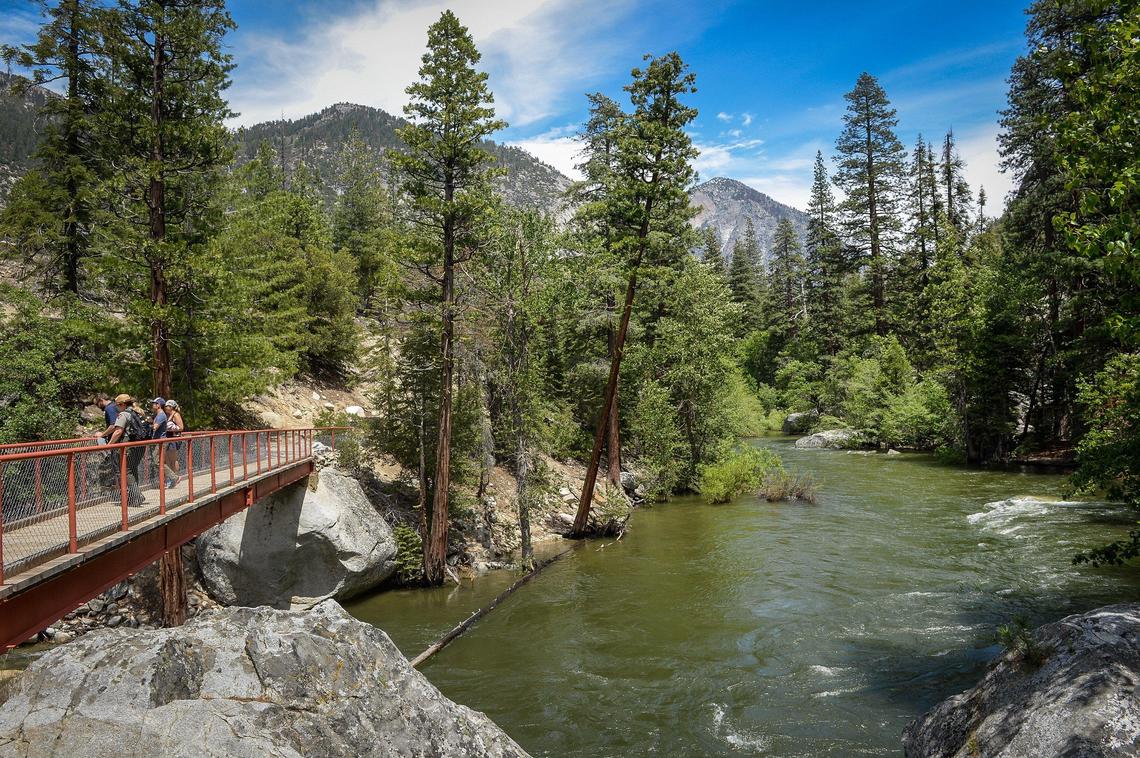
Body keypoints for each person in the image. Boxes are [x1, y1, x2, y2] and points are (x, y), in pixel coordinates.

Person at [105, 394, 147, 505]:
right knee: (132, 469)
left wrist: (108, 445)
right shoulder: (138, 412)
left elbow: (118, 431)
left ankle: (137, 495)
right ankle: (134, 498)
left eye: (117, 405)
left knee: (125, 470)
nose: (116, 408)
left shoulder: (123, 414)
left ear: (122, 404)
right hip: (141, 445)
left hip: (128, 447)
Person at [150, 397, 178, 489]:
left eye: (154, 403)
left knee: (156, 462)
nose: (152, 405)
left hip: (160, 442)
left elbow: (155, 427)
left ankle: (173, 477)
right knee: (159, 461)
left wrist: (147, 423)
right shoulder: (159, 415)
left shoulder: (161, 415)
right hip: (158, 442)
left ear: (158, 405)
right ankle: (169, 479)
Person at [164, 400, 186, 487]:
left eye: (167, 406)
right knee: (168, 460)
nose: (166, 408)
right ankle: (171, 478)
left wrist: (169, 428)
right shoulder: (168, 415)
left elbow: (181, 427)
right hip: (168, 439)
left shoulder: (176, 415)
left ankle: (176, 477)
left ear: (171, 407)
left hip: (174, 439)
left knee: (173, 460)